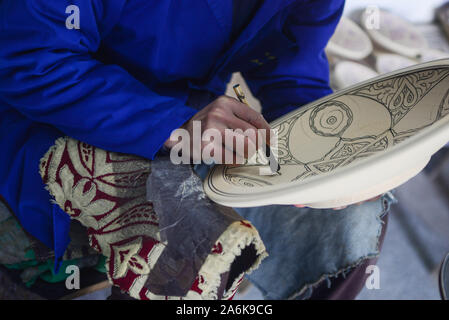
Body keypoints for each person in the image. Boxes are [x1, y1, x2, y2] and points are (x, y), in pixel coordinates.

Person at [0, 0, 394, 299]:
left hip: (192, 124)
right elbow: (33, 59)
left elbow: (289, 64)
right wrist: (172, 123)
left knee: (357, 215)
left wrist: (327, 152)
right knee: (197, 249)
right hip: (62, 113)